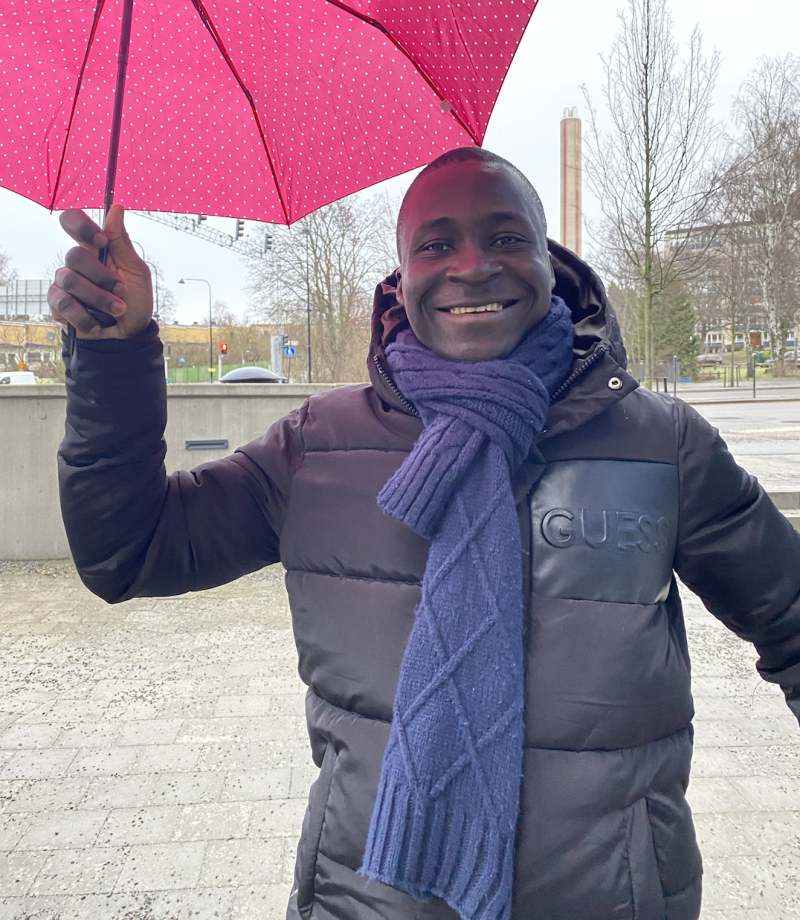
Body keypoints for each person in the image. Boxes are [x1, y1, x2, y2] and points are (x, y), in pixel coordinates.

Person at [50, 147, 800, 920]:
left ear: (549, 261)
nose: (472, 266)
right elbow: (128, 553)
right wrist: (111, 356)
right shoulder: (317, 447)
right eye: (436, 244)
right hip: (364, 902)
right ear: (401, 278)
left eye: (506, 237)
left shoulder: (660, 443)